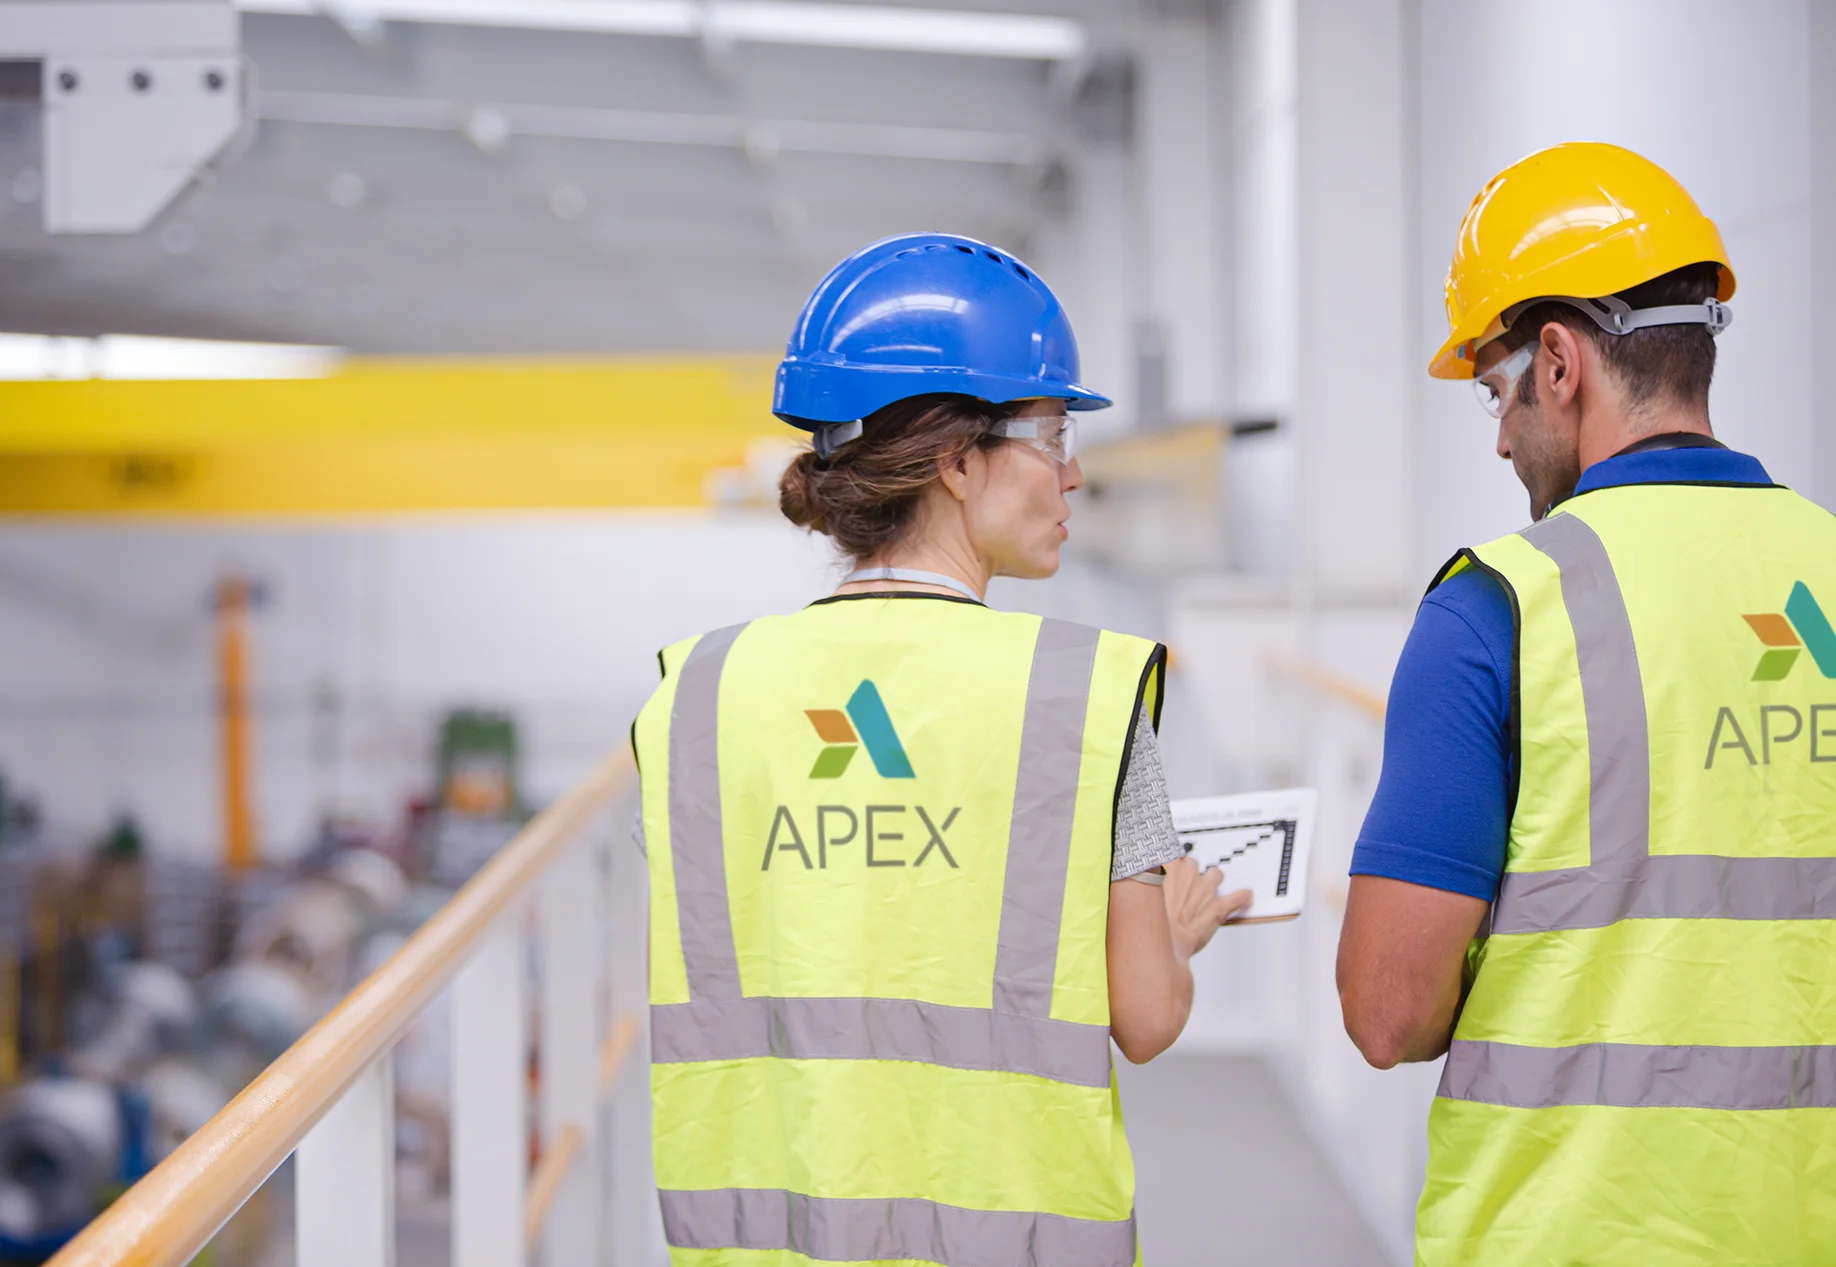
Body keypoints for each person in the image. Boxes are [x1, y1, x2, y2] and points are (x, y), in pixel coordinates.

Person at [632, 232, 1251, 1267]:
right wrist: (1174, 935)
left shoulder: (700, 691)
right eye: (1052, 434)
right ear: (958, 459)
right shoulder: (1081, 691)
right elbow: (1143, 1015)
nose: (1074, 473)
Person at [1336, 141, 1836, 1264]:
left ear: (1558, 362)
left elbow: (1387, 1010)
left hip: (1570, 1234)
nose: (1503, 433)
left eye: (1493, 390)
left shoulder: (1499, 611)